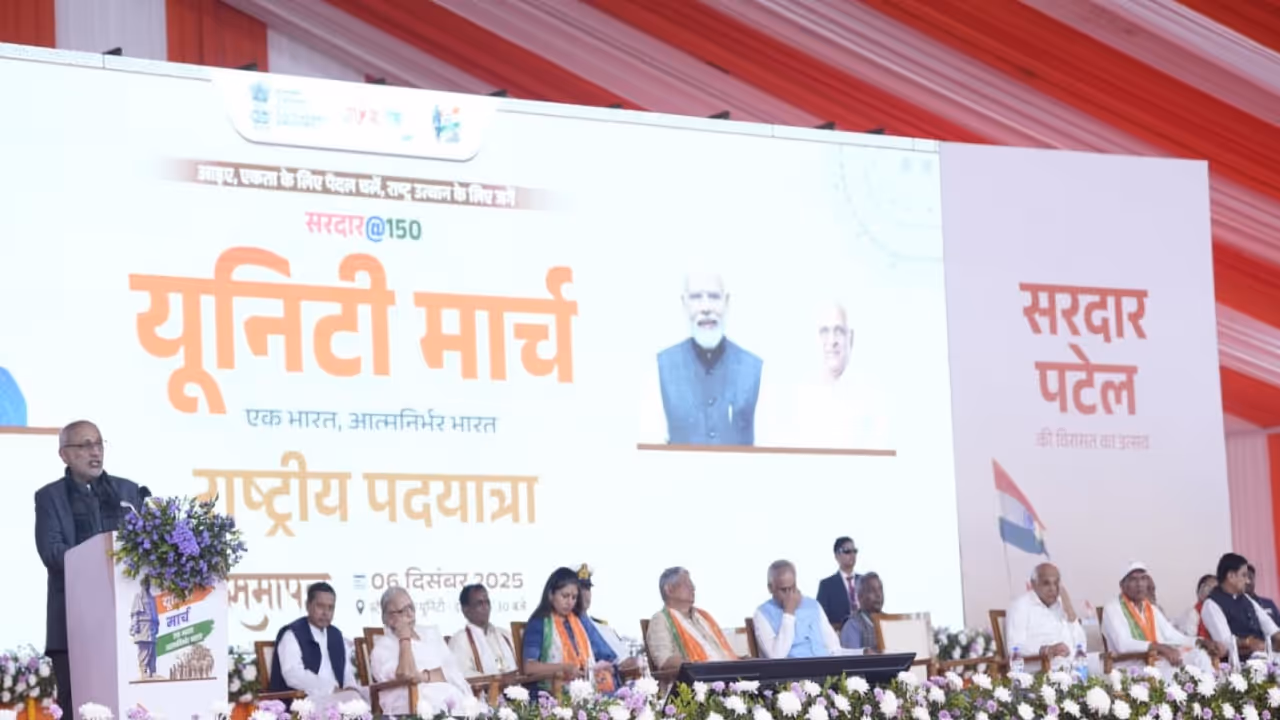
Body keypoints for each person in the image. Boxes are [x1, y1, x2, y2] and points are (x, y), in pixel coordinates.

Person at [35, 421, 143, 713]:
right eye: (84, 445)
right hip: (73, 624)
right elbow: (53, 553)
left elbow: (148, 547)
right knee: (78, 708)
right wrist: (102, 558)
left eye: (98, 444)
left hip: (127, 625)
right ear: (64, 455)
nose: (95, 452)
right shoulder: (50, 498)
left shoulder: (128, 492)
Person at [654, 272, 763, 446]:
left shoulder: (756, 370)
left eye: (713, 297)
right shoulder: (659, 368)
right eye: (696, 297)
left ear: (726, 302)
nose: (705, 308)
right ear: (684, 304)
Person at [1099, 562, 1221, 677]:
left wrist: (1200, 642)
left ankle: (1213, 695)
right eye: (1133, 579)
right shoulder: (1112, 608)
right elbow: (1123, 644)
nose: (1140, 584)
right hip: (1131, 665)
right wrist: (1160, 648)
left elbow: (1173, 636)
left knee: (1199, 656)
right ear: (1122, 585)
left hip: (1158, 660)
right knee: (1174, 669)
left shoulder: (1150, 609)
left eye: (1143, 578)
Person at [521, 567, 623, 693]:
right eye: (565, 596)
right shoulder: (539, 622)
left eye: (574, 597)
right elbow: (529, 667)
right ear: (551, 594)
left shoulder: (578, 621)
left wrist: (598, 668)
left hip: (584, 688)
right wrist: (563, 668)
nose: (570, 602)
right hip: (551, 694)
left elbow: (592, 659)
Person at [370, 587, 470, 715]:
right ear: (389, 617)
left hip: (447, 695)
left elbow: (452, 669)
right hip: (411, 703)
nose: (411, 614)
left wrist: (423, 676)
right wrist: (404, 639)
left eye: (411, 607)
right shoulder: (382, 648)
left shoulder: (430, 634)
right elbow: (406, 674)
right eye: (403, 610)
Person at [268, 582, 362, 705]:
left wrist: (350, 686)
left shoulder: (336, 635)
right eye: (320, 606)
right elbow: (293, 674)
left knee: (365, 694)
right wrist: (331, 689)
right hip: (307, 700)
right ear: (308, 605)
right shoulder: (292, 634)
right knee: (354, 702)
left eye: (330, 608)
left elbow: (346, 670)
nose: (325, 612)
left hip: (340, 696)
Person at [753, 560, 857, 658]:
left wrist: (862, 652)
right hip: (793, 674)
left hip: (826, 670)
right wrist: (788, 613)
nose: (790, 595)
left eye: (793, 587)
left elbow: (834, 650)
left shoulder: (813, 605)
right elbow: (776, 656)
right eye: (784, 590)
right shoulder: (762, 614)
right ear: (770, 588)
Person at [1004, 563, 1090, 671]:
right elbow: (1014, 647)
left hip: (1071, 668)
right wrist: (1047, 650)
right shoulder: (1020, 606)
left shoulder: (1061, 605)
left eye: (1056, 583)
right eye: (1046, 583)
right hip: (1040, 670)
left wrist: (1070, 610)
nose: (1052, 588)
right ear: (1033, 584)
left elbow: (1081, 644)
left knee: (1099, 663)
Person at [646, 567, 737, 669]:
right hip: (699, 680)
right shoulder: (660, 620)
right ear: (669, 590)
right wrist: (695, 665)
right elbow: (664, 661)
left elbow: (722, 654)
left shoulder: (703, 617)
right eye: (687, 584)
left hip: (728, 676)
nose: (693, 588)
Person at [1201, 553, 1280, 658]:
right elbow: (1225, 643)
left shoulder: (1246, 598)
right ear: (1231, 576)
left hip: (1264, 658)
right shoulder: (1211, 604)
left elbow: (1270, 627)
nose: (1247, 581)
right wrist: (1248, 642)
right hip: (1238, 667)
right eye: (1244, 575)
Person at [448, 584, 517, 677]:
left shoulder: (504, 635)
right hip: (486, 690)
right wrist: (498, 680)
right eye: (479, 603)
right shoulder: (460, 640)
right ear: (466, 610)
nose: (485, 607)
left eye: (487, 602)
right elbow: (462, 675)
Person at [576, 565, 629, 660]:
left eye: (587, 588)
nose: (584, 593)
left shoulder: (602, 627)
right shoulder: (565, 626)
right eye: (580, 588)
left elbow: (624, 657)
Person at [816, 537, 862, 625]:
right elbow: (821, 617)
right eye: (847, 551)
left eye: (854, 551)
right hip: (839, 633)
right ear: (837, 555)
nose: (852, 555)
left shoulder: (865, 581)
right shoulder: (827, 585)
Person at [840, 573, 884, 652]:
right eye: (872, 590)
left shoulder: (889, 621)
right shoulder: (852, 625)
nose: (878, 595)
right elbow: (852, 661)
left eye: (880, 589)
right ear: (860, 596)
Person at [129, 577, 160, 678]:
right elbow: (135, 613)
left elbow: (155, 612)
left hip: (151, 626)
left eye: (148, 584)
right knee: (144, 648)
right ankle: (144, 670)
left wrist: (156, 624)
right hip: (142, 626)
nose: (147, 586)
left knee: (152, 649)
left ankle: (153, 670)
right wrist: (135, 626)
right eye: (145, 584)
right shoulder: (138, 597)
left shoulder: (152, 598)